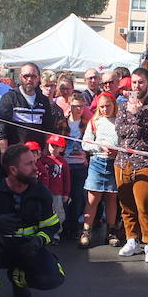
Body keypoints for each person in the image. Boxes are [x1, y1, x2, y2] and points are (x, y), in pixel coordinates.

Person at [0, 144, 64, 297]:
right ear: (13, 170)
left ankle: (18, 278)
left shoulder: (41, 192)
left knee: (53, 278)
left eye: (34, 162)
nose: (36, 167)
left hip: (28, 248)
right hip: (1, 249)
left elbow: (52, 226)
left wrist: (39, 240)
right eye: (29, 164)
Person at [115, 68, 148, 263]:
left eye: (141, 82)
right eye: (134, 82)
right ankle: (132, 239)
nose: (137, 86)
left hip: (144, 162)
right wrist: (136, 123)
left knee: (145, 204)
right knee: (126, 204)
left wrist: (137, 116)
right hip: (122, 161)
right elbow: (120, 130)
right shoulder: (122, 106)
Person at [80, 92, 121, 248]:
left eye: (108, 106)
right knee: (92, 199)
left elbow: (124, 142)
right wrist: (99, 147)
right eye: (102, 107)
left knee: (111, 198)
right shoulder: (94, 121)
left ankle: (111, 231)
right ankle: (86, 231)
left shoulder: (119, 121)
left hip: (114, 163)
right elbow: (85, 144)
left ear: (114, 105)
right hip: (97, 162)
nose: (105, 109)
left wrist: (117, 151)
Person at [0, 62, 54, 152]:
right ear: (20, 77)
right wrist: (4, 151)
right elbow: (2, 127)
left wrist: (46, 151)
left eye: (33, 76)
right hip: (16, 154)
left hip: (37, 154)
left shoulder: (44, 100)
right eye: (26, 76)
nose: (29, 79)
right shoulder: (10, 97)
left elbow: (48, 128)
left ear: (38, 78)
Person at [63, 92, 89, 241]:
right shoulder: (62, 123)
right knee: (64, 196)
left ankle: (73, 226)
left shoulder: (87, 123)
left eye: (81, 106)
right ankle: (65, 225)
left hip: (80, 165)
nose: (78, 109)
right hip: (65, 163)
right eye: (75, 106)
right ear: (70, 106)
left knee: (78, 196)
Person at [41, 134, 71, 245]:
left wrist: (66, 193)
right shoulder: (43, 161)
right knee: (44, 212)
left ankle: (56, 233)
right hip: (45, 192)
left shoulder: (63, 162)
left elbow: (66, 179)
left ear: (62, 148)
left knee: (58, 214)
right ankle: (43, 232)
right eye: (52, 145)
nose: (53, 148)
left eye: (57, 146)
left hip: (57, 193)